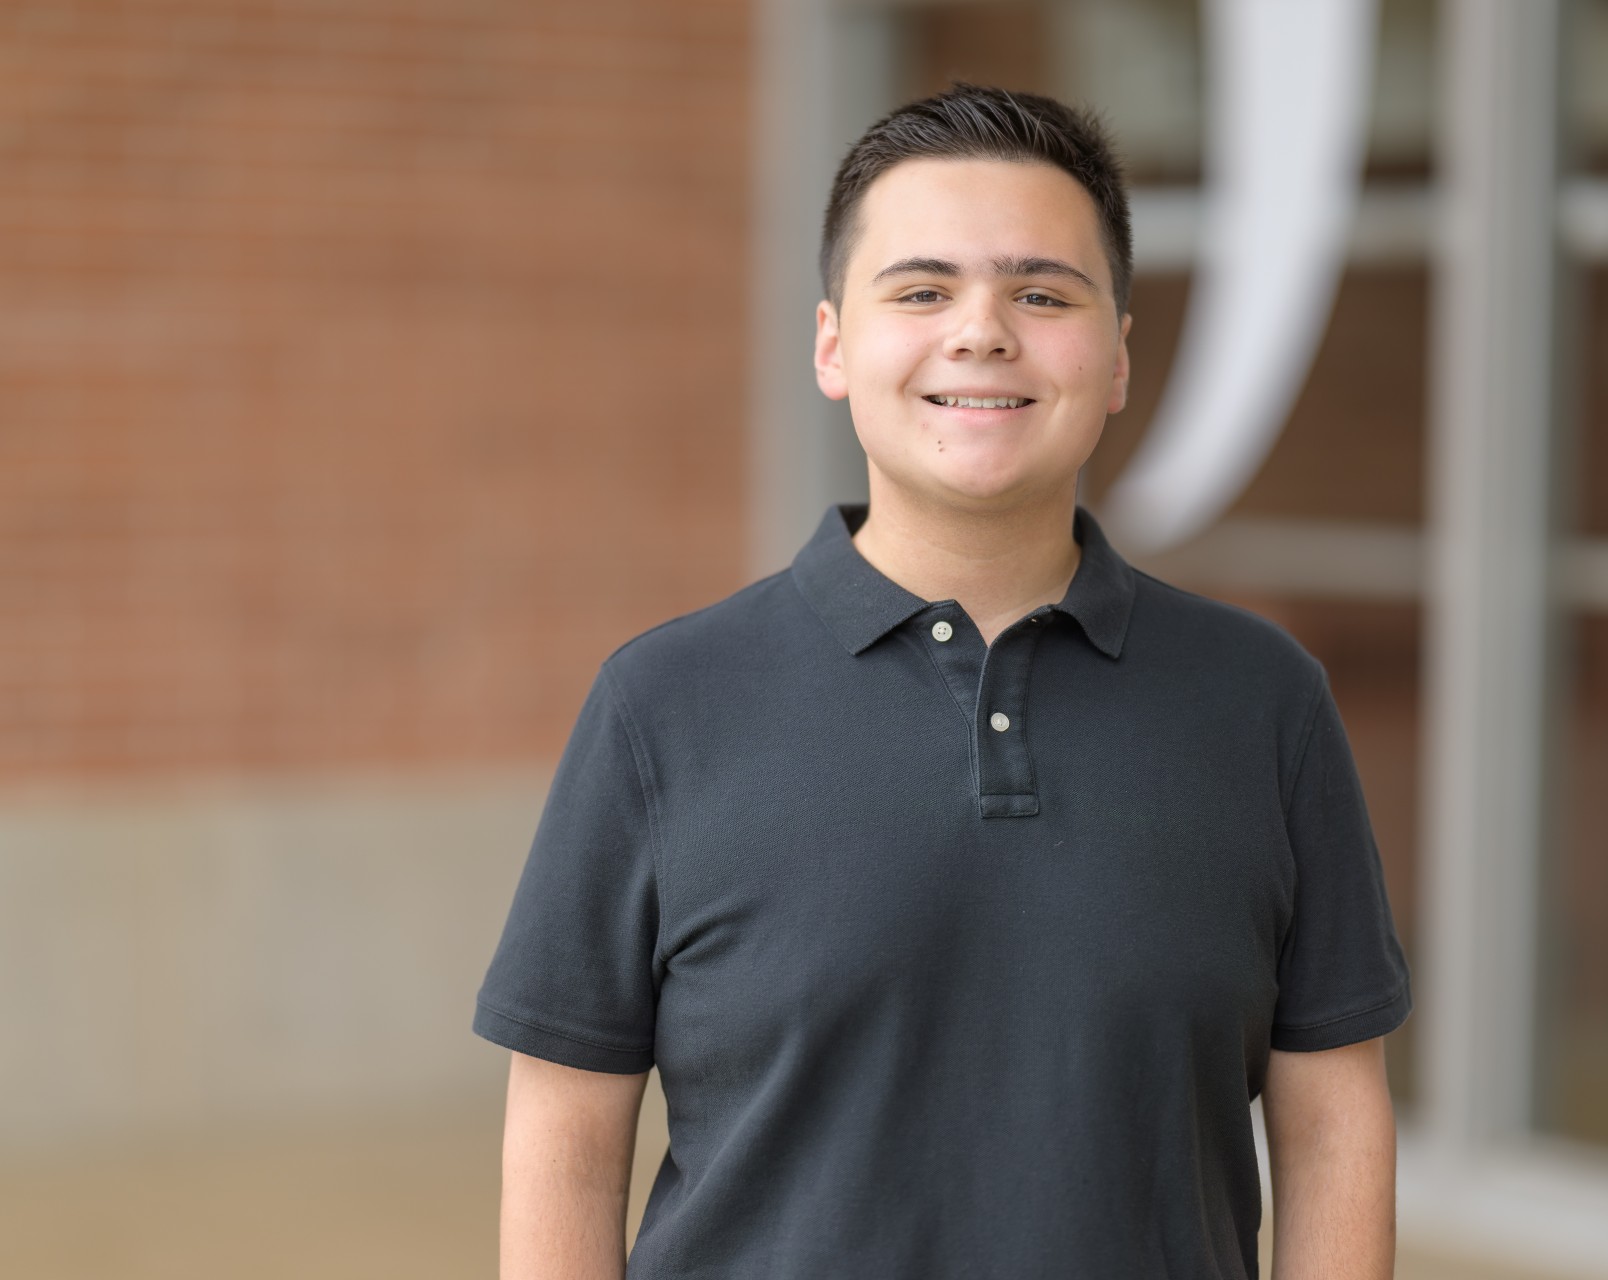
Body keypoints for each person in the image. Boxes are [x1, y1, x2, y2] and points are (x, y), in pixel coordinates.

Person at [474, 82, 1410, 1280]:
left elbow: (1333, 1124)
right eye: (922, 290)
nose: (981, 332)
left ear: (1118, 355)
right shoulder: (664, 704)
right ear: (832, 344)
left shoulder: (1263, 701)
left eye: (1042, 292)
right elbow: (564, 1134)